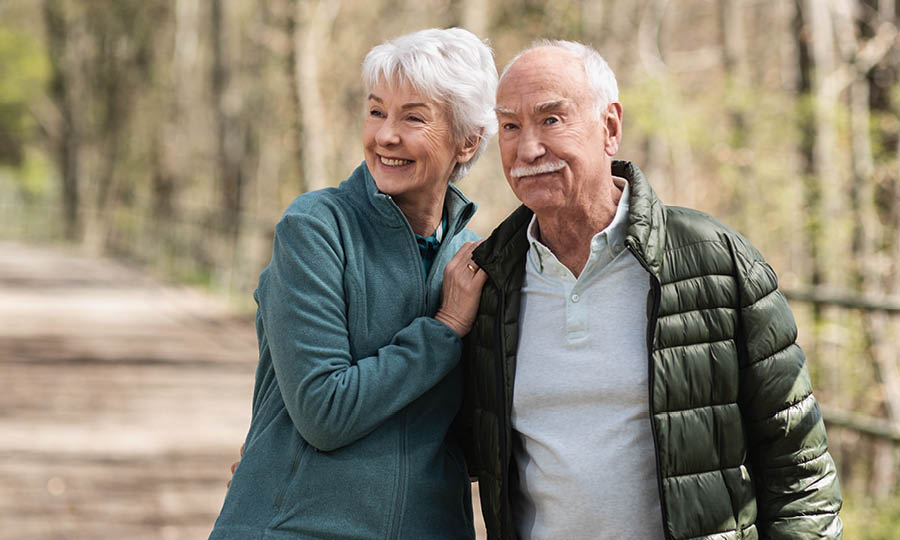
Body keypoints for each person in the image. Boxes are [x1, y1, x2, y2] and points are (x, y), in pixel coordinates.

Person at [461, 40, 843, 540]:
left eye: (551, 120)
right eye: (510, 126)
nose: (527, 148)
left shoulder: (719, 263)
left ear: (610, 128)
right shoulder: (487, 284)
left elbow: (801, 473)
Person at [208, 27, 497, 540]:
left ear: (468, 140)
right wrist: (445, 328)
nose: (385, 135)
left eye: (413, 117)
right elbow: (324, 411)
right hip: (295, 527)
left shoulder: (474, 262)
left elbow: (477, 437)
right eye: (376, 111)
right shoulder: (316, 228)